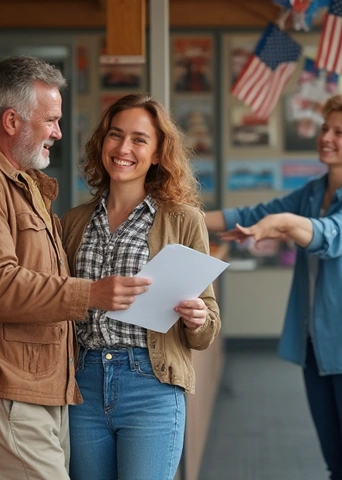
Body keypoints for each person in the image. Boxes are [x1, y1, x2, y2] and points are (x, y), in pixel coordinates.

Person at [0, 56, 150, 480]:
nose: (58, 132)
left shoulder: (21, 182)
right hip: (10, 392)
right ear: (11, 121)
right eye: (50, 120)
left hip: (39, 389)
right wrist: (91, 294)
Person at [205, 94, 342, 480]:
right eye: (324, 128)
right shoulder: (314, 193)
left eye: (340, 132)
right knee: (336, 466)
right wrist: (187, 218)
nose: (326, 137)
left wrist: (284, 222)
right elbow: (252, 215)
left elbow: (329, 237)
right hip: (319, 346)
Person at [61, 93, 221, 480]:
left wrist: (197, 319)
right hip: (83, 384)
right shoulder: (72, 222)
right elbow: (59, 302)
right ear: (102, 143)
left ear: (157, 153)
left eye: (139, 139)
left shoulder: (183, 220)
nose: (123, 148)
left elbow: (208, 327)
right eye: (115, 135)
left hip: (151, 385)